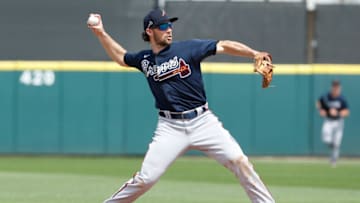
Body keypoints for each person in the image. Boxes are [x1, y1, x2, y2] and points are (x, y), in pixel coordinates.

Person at [88, 8, 275, 203]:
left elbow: (224, 45)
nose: (169, 29)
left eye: (169, 25)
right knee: (146, 178)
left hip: (203, 122)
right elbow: (121, 57)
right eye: (163, 26)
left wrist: (253, 53)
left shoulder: (188, 48)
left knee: (240, 161)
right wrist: (101, 33)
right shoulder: (145, 60)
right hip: (170, 127)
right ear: (150, 31)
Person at [317, 80, 350, 167]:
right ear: (332, 87)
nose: (335, 89)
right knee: (326, 139)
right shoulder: (326, 97)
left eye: (337, 87)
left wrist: (338, 113)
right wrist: (321, 110)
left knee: (337, 142)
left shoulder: (342, 99)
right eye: (334, 87)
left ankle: (333, 160)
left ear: (339, 88)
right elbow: (319, 103)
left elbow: (346, 112)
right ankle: (332, 146)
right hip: (328, 120)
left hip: (338, 122)